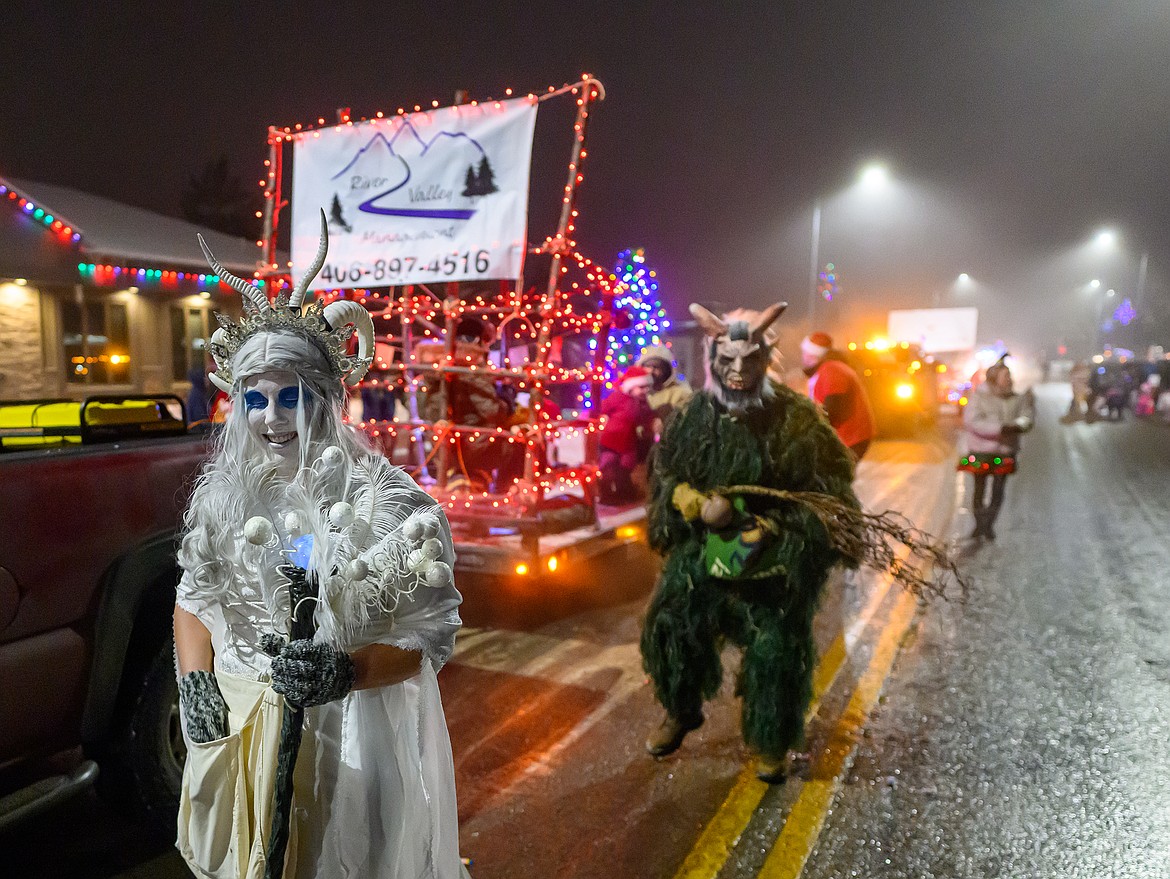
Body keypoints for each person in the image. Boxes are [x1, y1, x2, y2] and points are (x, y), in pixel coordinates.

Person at [174, 220, 468, 879]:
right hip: (241, 742)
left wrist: (346, 671)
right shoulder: (223, 496)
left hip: (348, 751)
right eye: (254, 398)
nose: (271, 418)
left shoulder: (389, 505)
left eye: (290, 396)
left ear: (328, 399)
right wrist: (195, 677)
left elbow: (432, 636)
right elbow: (193, 599)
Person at [640, 303, 860, 783]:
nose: (738, 371)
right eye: (728, 361)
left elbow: (830, 493)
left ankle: (770, 739)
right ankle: (682, 709)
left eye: (749, 361)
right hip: (705, 551)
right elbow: (667, 471)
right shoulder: (695, 414)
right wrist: (690, 500)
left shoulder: (797, 419)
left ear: (766, 359)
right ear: (712, 360)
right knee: (674, 624)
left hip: (770, 565)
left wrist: (776, 529)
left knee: (775, 650)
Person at [959, 355, 1034, 541]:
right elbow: (972, 421)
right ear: (994, 379)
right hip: (981, 451)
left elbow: (1027, 416)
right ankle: (979, 524)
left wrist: (1019, 425)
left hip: (1005, 452)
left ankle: (988, 524)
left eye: (1009, 375)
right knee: (979, 489)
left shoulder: (1017, 399)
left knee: (998, 491)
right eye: (1005, 375)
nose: (1009, 379)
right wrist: (1000, 429)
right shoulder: (979, 397)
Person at [800, 331, 876, 460]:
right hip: (846, 437)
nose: (802, 357)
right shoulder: (826, 370)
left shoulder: (832, 370)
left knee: (832, 476)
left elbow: (832, 408)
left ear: (811, 355)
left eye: (804, 353)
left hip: (849, 438)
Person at [598, 363, 656, 504]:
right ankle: (606, 496)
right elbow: (603, 407)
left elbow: (648, 418)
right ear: (631, 386)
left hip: (628, 443)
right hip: (610, 441)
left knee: (625, 470)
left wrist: (652, 425)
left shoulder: (643, 404)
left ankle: (624, 494)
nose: (645, 391)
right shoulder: (618, 397)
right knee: (607, 469)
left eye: (647, 387)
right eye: (641, 387)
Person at [636, 345, 694, 429]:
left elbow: (686, 421)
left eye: (656, 367)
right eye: (648, 366)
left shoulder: (680, 392)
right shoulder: (635, 392)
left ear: (666, 369)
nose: (651, 371)